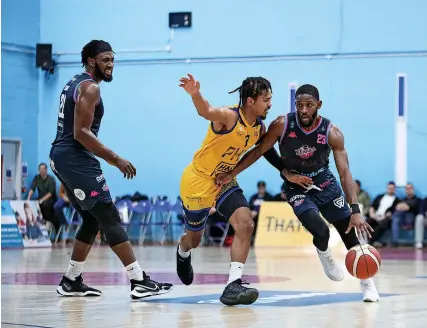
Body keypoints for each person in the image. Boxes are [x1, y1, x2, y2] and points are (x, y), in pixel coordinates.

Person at [216, 84, 380, 302]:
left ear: (318, 106)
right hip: (296, 186)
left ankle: (367, 283)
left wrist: (355, 209)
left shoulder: (332, 132)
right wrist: (233, 172)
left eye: (309, 105)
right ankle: (324, 254)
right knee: (321, 230)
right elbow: (259, 151)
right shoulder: (282, 124)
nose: (303, 110)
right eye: (299, 105)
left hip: (325, 183)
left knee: (349, 232)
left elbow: (345, 173)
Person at [49, 40, 173, 299]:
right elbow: (81, 133)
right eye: (106, 59)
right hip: (75, 157)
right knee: (109, 216)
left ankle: (71, 280)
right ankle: (138, 280)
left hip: (63, 157)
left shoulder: (74, 82)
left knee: (92, 219)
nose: (111, 65)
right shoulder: (91, 88)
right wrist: (116, 159)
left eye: (113, 60)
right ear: (92, 60)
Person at [177, 74, 282, 306]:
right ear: (251, 101)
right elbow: (206, 111)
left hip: (224, 180)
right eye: (266, 99)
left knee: (245, 223)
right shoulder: (229, 117)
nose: (271, 104)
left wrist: (284, 169)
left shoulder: (258, 126)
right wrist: (195, 94)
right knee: (194, 239)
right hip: (198, 181)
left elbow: (262, 150)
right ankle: (183, 250)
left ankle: (233, 285)